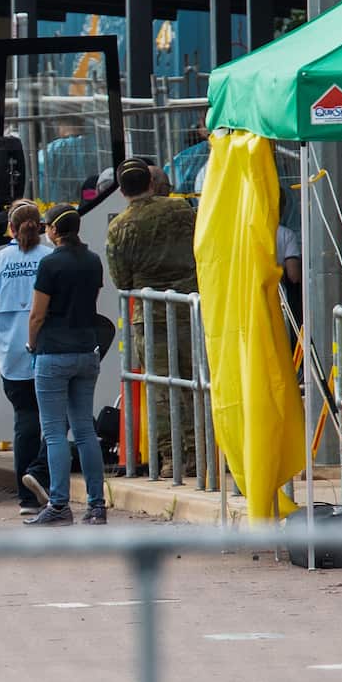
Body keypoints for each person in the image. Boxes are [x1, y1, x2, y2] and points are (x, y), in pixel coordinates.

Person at [104, 157, 199, 477]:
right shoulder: (182, 210)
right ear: (151, 183)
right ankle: (202, 455)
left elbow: (122, 281)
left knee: (161, 391)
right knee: (195, 386)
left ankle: (172, 459)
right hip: (190, 309)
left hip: (150, 317)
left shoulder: (119, 227)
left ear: (121, 190)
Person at [24, 204, 108, 526]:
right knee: (85, 430)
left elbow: (37, 314)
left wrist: (32, 344)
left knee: (55, 431)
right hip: (87, 351)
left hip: (53, 354)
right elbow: (91, 301)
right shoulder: (93, 261)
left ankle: (58, 505)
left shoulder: (49, 264)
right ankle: (96, 506)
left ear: (54, 231)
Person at [0, 201, 52, 515]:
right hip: (48, 350)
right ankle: (43, 478)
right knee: (54, 421)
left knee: (24, 422)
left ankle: (25, 497)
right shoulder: (50, 258)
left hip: (12, 355)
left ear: (9, 228)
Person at [39, 118, 99, 204]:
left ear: (62, 126)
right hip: (90, 198)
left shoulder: (51, 150)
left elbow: (41, 180)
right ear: (81, 125)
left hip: (60, 202)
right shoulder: (94, 145)